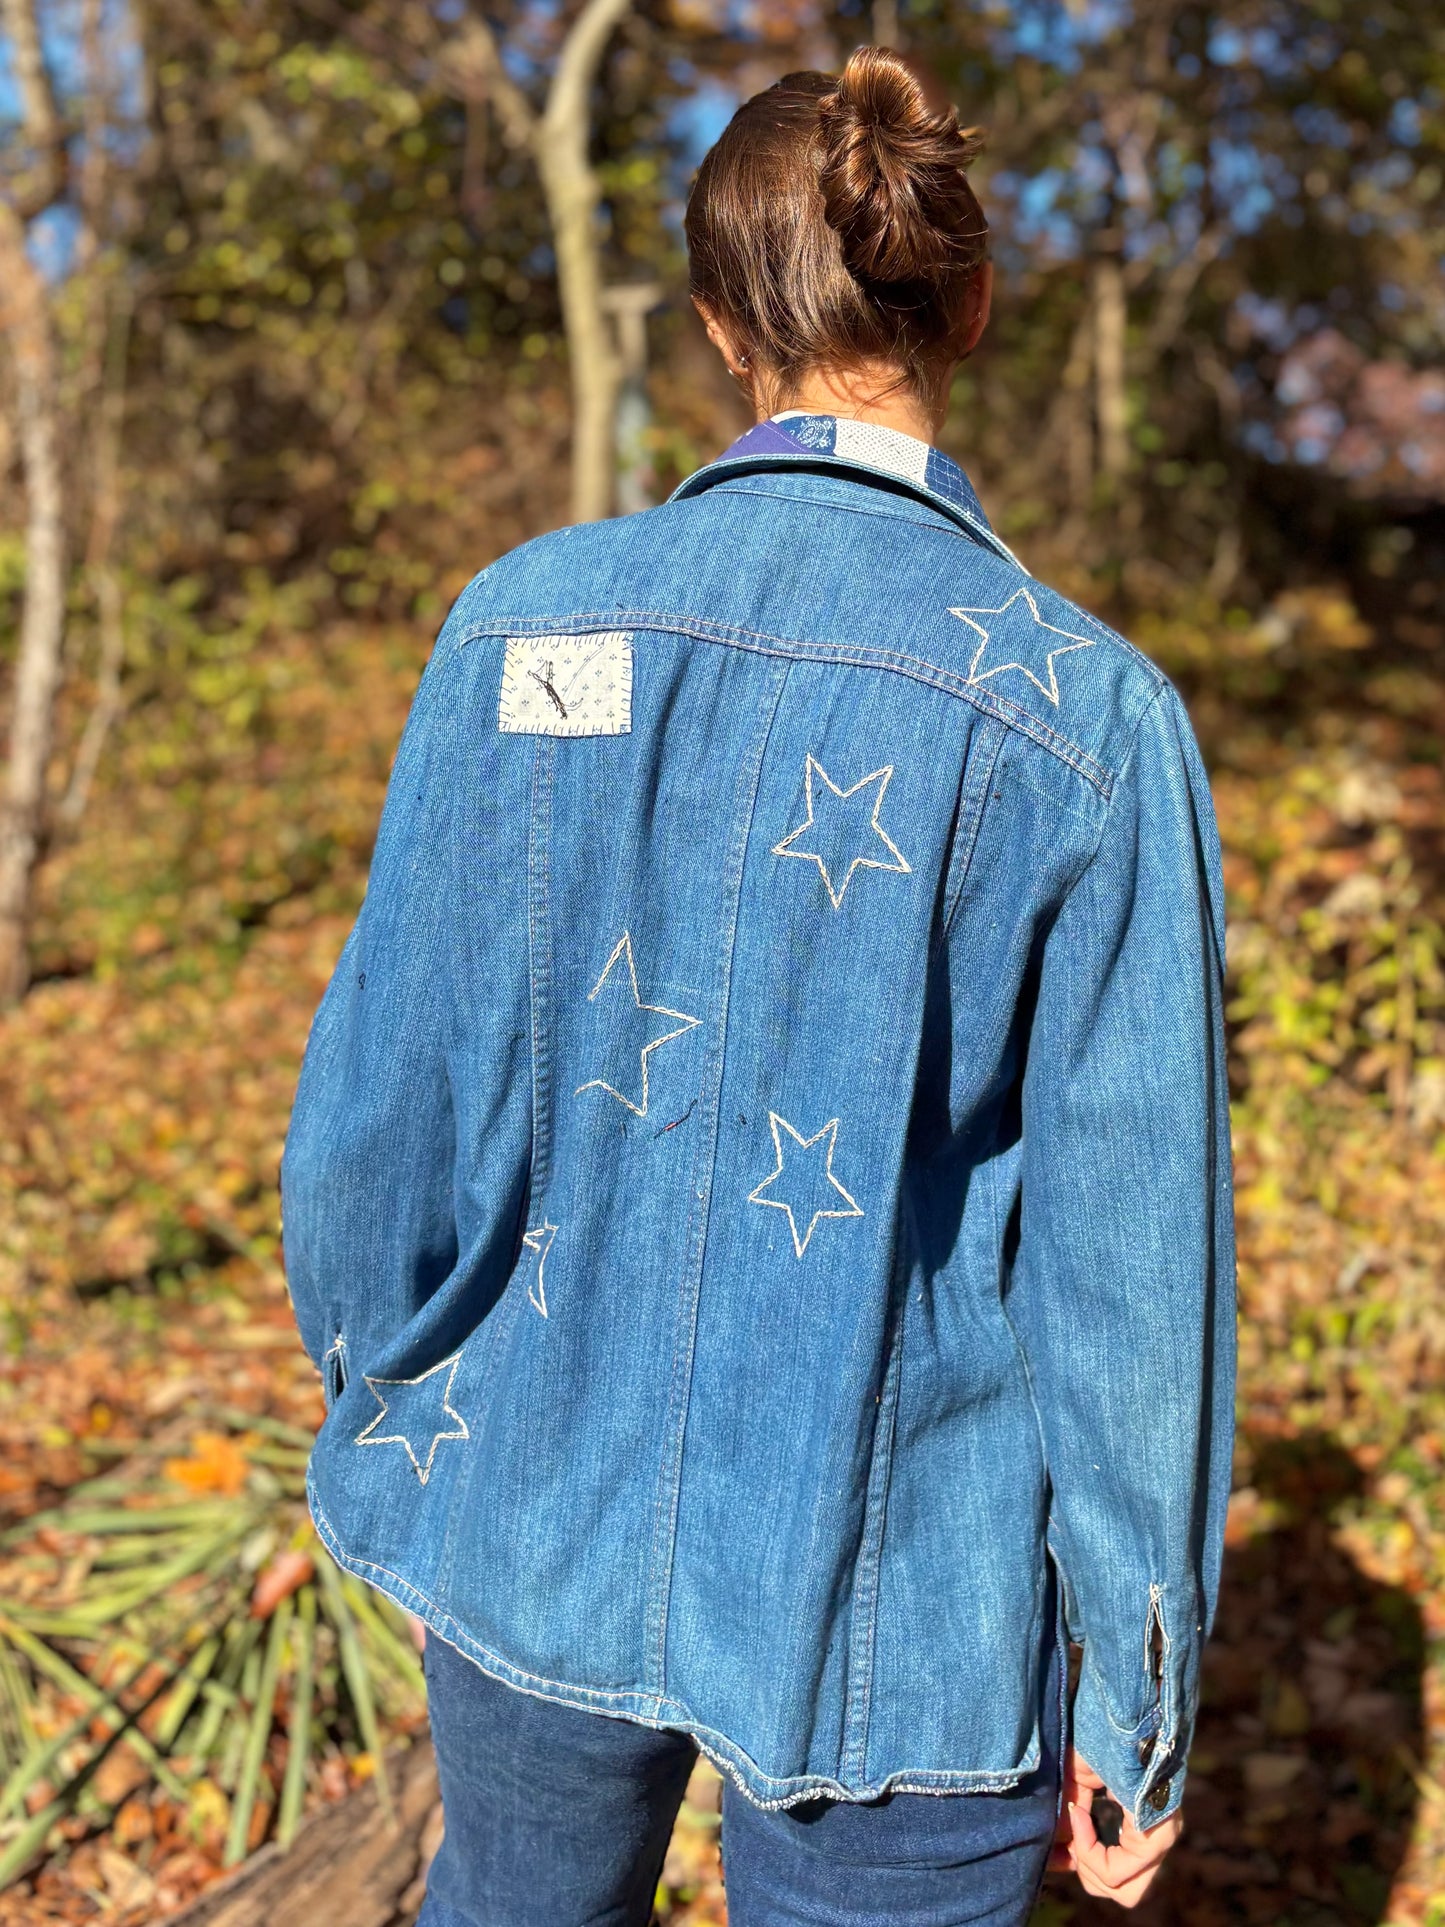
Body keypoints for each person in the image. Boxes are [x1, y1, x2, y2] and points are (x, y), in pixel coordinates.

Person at [281, 46, 1235, 1927]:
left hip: (522, 1488)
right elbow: (1133, 1263)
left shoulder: (525, 628)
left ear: (721, 326)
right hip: (906, 1596)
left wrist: (379, 1378)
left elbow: (378, 1110)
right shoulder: (1085, 718)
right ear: (969, 299)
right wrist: (1137, 1681)